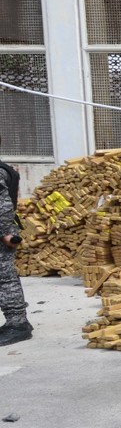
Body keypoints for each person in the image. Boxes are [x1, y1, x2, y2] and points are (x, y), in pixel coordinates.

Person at [0, 136, 29, 346]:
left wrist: (6, 234)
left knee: (5, 280)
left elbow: (2, 208)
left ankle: (18, 325)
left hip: (2, 236)